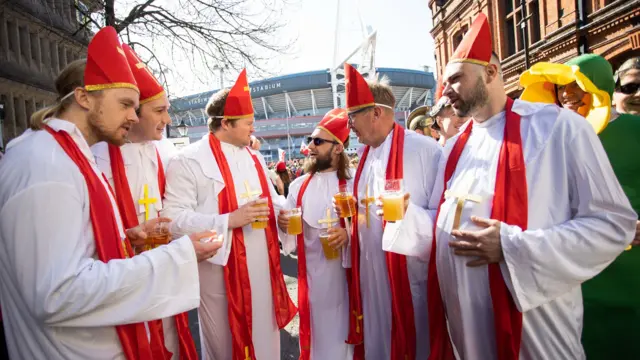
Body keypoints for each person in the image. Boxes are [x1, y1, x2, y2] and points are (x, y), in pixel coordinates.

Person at [384, 13, 637, 359]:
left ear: (490, 72)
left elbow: (613, 224)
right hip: (467, 334)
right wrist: (404, 216)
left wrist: (513, 247)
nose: (446, 92)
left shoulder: (558, 128)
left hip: (535, 332)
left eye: (456, 79)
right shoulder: (455, 146)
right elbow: (448, 227)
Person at [0, 26, 222, 359]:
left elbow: (69, 249)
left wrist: (125, 239)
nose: (134, 117)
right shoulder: (46, 165)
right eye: (126, 105)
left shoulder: (68, 155)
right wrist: (176, 256)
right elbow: (57, 293)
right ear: (84, 97)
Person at [160, 69, 297, 360]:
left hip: (263, 269)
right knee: (224, 345)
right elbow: (172, 218)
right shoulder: (188, 160)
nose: (253, 129)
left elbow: (272, 202)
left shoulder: (254, 157)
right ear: (226, 123)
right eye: (248, 123)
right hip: (219, 273)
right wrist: (228, 221)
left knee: (266, 343)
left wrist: (281, 217)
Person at [519, 53, 640, 359]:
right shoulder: (550, 138)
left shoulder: (634, 130)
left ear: (599, 86)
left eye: (577, 85)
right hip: (573, 266)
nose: (568, 93)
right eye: (561, 86)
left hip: (629, 269)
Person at [91, 44, 197, 359]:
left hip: (163, 275)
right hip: (125, 279)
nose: (167, 118)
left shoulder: (166, 154)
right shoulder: (97, 158)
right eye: (159, 110)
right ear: (135, 113)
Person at [340, 63, 442, 360]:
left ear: (376, 112)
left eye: (352, 116)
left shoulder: (424, 150)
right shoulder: (364, 158)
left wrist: (409, 217)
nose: (349, 126)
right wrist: (347, 222)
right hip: (371, 277)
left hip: (409, 279)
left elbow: (442, 217)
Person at [276, 108, 354, 360]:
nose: (310, 145)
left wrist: (349, 234)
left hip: (346, 283)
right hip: (313, 282)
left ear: (338, 148)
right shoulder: (299, 186)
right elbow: (287, 231)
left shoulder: (353, 183)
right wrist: (284, 225)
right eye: (311, 139)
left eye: (318, 141)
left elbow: (371, 227)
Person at [429, 80, 468, 146]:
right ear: (440, 121)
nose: (463, 119)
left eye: (466, 113)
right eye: (455, 114)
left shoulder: (473, 151)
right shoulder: (433, 154)